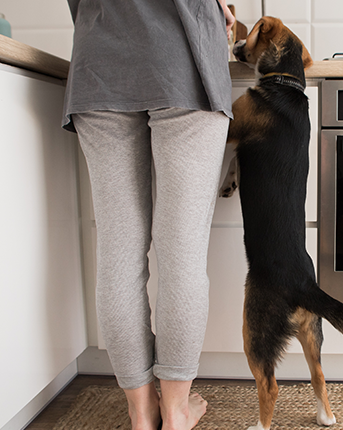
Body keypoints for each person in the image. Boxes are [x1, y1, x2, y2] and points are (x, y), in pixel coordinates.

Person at [62, 1, 235, 429]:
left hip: (99, 63)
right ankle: (176, 412)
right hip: (184, 59)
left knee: (118, 253)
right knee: (182, 256)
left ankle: (141, 413)